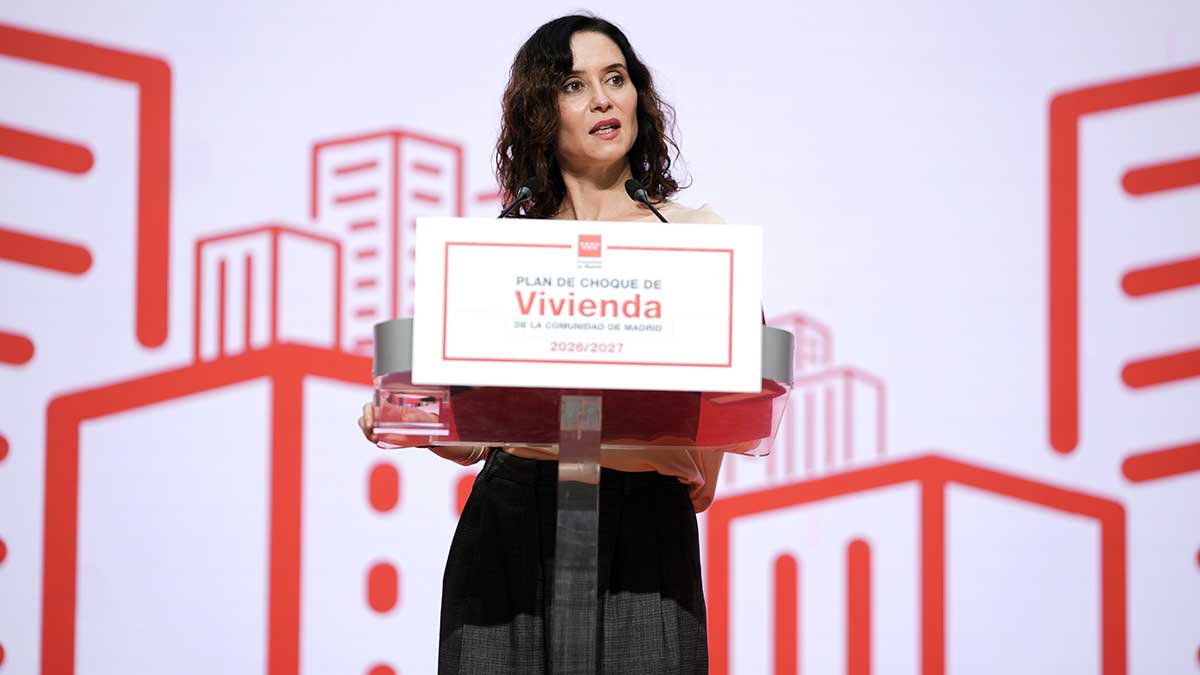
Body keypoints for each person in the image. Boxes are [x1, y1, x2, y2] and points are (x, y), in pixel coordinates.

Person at [358, 14, 725, 674]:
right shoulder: (506, 248)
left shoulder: (696, 240)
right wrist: (414, 417)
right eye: (574, 85)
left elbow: (719, 437)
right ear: (540, 112)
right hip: (512, 525)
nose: (603, 99)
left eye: (616, 78)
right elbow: (476, 436)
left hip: (646, 531)